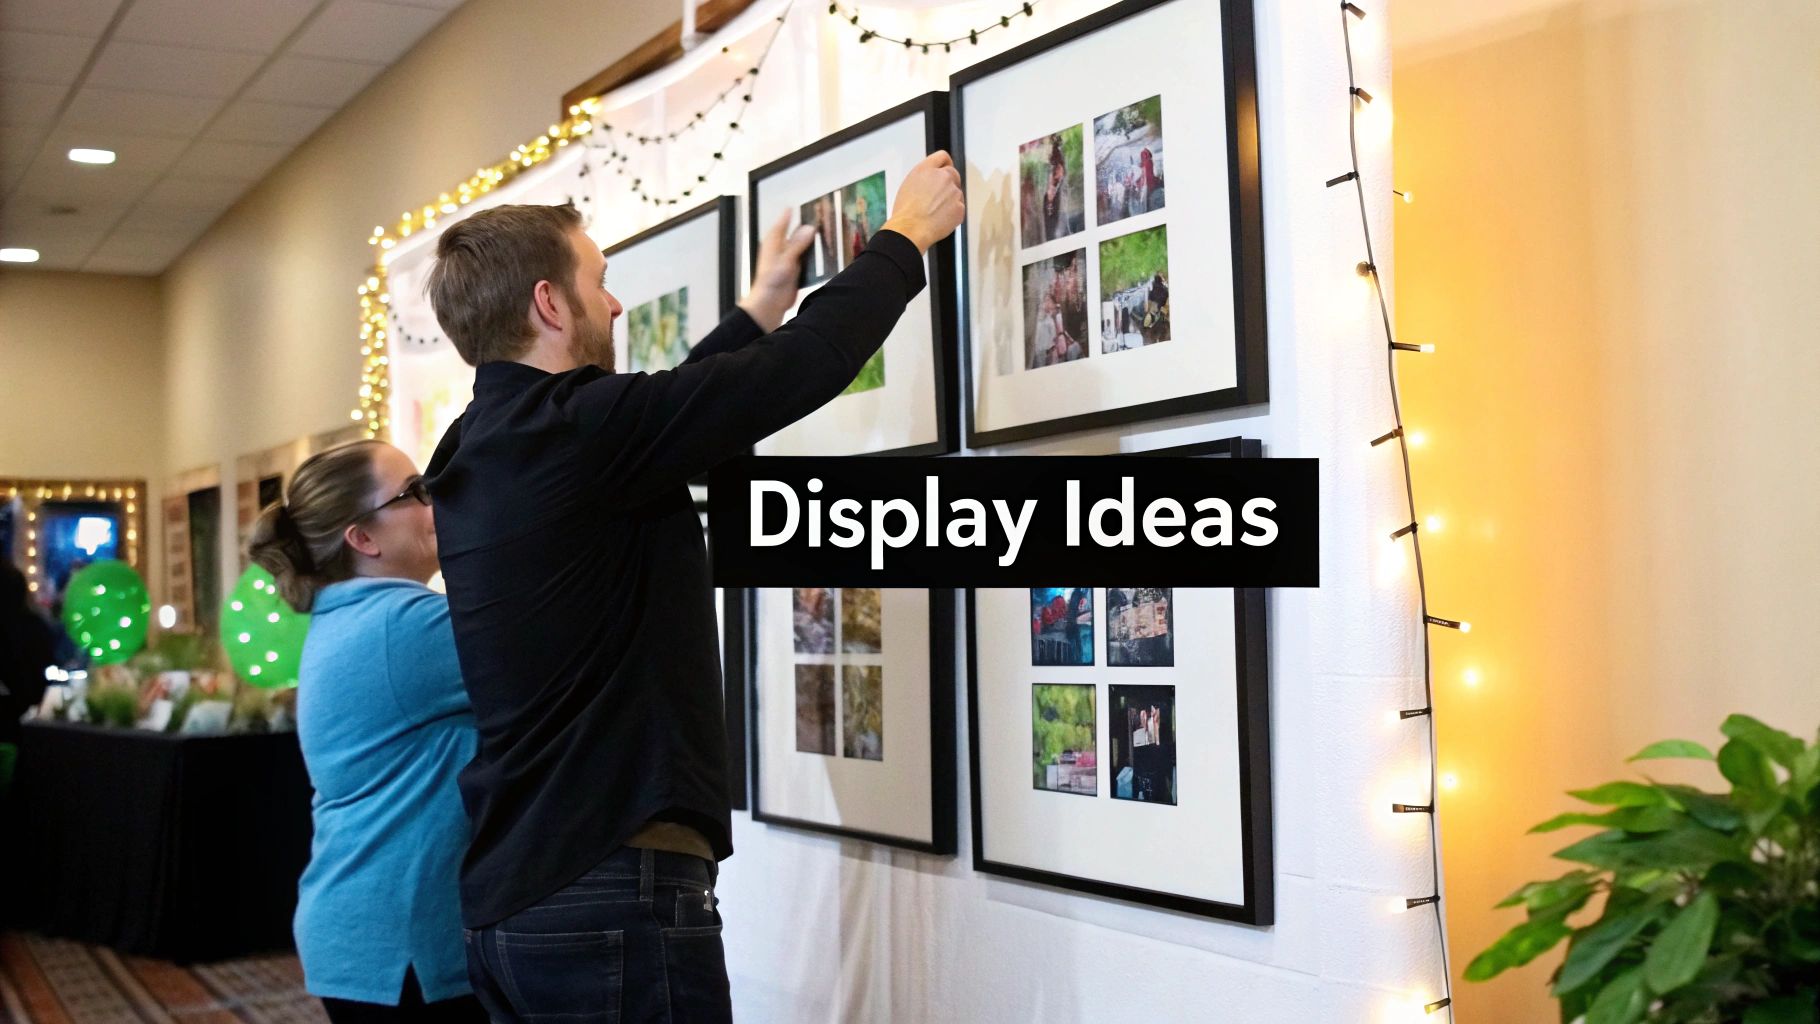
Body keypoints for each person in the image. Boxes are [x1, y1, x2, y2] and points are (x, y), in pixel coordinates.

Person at [423, 153, 964, 1022]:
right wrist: (902, 239)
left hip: (519, 901)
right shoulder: (577, 436)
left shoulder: (488, 445)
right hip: (610, 893)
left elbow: (670, 415)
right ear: (549, 303)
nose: (616, 303)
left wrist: (757, 310)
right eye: (598, 282)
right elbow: (780, 380)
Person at [248, 440, 484, 1024]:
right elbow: (557, 648)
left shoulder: (359, 615)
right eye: (414, 493)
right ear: (362, 538)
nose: (435, 504)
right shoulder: (401, 625)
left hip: (369, 926)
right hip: (396, 939)